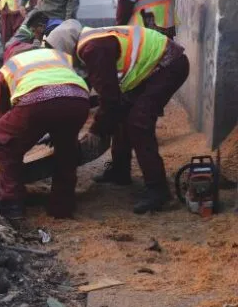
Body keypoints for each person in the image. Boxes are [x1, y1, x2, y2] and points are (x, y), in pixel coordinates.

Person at [46, 21, 190, 214]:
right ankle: (120, 171)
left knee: (138, 123)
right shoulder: (91, 42)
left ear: (66, 49)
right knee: (123, 116)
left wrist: (95, 131)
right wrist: (62, 126)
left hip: (168, 66)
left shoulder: (93, 49)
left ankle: (159, 191)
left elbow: (109, 99)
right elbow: (92, 93)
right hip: (155, 68)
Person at [0, 47, 90, 219]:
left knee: (1, 142)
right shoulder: (59, 55)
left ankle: (12, 204)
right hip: (78, 99)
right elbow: (65, 86)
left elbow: (2, 111)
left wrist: (17, 137)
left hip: (36, 102)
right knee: (67, 148)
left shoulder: (8, 67)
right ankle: (62, 206)